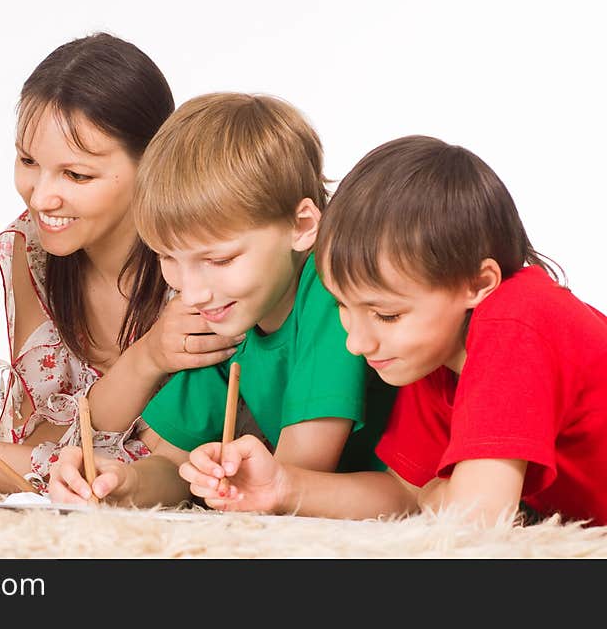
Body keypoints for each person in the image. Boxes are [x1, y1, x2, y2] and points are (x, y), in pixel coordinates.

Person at [180, 134, 607, 527]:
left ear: (478, 284)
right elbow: (403, 490)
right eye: (344, 307)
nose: (356, 342)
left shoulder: (516, 320)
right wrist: (281, 486)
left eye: (386, 316)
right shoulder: (436, 354)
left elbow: (477, 515)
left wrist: (441, 492)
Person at [0, 33, 242, 493]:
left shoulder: (197, 262)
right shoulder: (30, 248)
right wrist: (148, 357)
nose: (41, 196)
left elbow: (183, 446)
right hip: (69, 458)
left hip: (169, 467)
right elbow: (44, 433)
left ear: (152, 162)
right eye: (28, 160)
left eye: (77, 174)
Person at [49, 92, 395, 507]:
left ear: (302, 225)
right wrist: (124, 483)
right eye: (167, 257)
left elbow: (298, 472)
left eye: (219, 259)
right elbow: (174, 464)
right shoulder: (230, 311)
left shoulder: (330, 291)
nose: (193, 292)